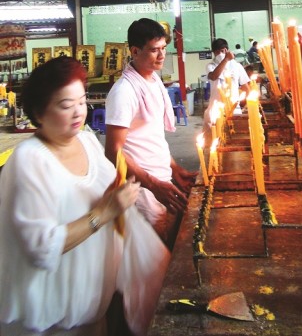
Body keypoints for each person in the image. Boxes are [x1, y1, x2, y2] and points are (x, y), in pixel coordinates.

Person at [0, 56, 140, 336]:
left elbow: (109, 188)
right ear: (39, 113)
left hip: (93, 308)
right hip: (51, 322)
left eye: (82, 100)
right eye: (66, 105)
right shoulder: (30, 162)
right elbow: (41, 247)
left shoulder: (87, 140)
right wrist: (103, 214)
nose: (79, 111)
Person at [105, 18, 196, 248]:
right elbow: (113, 153)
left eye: (164, 48)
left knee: (171, 243)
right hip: (141, 188)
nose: (162, 55)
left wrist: (175, 168)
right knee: (154, 251)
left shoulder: (154, 80)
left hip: (162, 178)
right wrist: (153, 185)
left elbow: (152, 137)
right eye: (154, 50)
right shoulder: (124, 92)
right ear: (135, 51)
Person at [204, 38, 251, 131]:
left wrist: (249, 104)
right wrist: (225, 60)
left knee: (235, 133)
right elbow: (213, 76)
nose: (220, 54)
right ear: (214, 53)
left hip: (234, 107)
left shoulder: (237, 66)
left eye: (222, 51)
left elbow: (246, 87)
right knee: (216, 136)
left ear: (227, 50)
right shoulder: (211, 66)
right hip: (216, 107)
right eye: (217, 52)